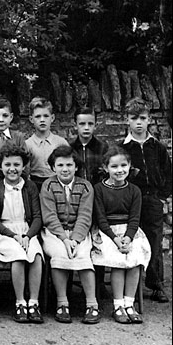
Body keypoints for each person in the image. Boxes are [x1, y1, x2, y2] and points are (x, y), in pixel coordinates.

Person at [91, 146, 151, 324]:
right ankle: (117, 305)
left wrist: (128, 237)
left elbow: (135, 218)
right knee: (118, 260)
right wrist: (115, 239)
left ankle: (129, 303)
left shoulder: (134, 190)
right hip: (107, 232)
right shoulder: (99, 189)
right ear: (105, 168)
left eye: (123, 165)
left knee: (134, 258)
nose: (120, 170)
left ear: (130, 165)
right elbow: (101, 219)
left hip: (128, 231)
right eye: (114, 167)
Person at [40, 145, 99, 324]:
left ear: (76, 167)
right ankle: (62, 302)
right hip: (54, 233)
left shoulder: (85, 186)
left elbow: (85, 216)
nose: (65, 169)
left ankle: (92, 304)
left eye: (69, 165)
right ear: (53, 167)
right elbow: (49, 216)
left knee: (82, 255)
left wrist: (75, 238)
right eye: (60, 165)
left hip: (79, 232)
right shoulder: (48, 185)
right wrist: (64, 239)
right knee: (59, 254)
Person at [121, 97, 172, 304]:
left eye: (142, 118)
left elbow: (168, 174)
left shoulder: (157, 147)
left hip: (152, 199)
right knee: (129, 238)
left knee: (154, 241)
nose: (139, 122)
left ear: (149, 119)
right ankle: (128, 286)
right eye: (134, 118)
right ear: (127, 121)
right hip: (130, 200)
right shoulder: (123, 148)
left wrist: (161, 197)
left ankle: (156, 284)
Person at [0, 143, 44, 324]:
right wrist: (14, 236)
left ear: (24, 166)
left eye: (17, 165)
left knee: (34, 254)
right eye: (8, 165)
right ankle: (20, 302)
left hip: (27, 231)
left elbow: (37, 217)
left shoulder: (30, 187)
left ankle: (33, 302)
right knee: (18, 256)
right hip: (5, 233)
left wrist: (28, 236)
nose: (12, 169)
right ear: (1, 166)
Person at [69, 106, 109, 295]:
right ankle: (68, 283)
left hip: (98, 201)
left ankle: (99, 284)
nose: (86, 128)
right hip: (75, 200)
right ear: (75, 125)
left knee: (96, 240)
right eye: (82, 123)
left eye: (90, 124)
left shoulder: (103, 148)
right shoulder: (70, 148)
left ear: (95, 125)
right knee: (75, 237)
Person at [25, 97, 69, 190]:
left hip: (58, 184)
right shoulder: (28, 144)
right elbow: (26, 172)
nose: (42, 120)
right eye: (38, 116)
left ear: (52, 118)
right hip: (36, 185)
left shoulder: (61, 143)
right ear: (31, 119)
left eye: (46, 116)